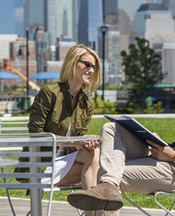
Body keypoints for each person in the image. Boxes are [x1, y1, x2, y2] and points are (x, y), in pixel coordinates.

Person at [67, 38, 175, 214]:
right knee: (112, 128)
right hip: (169, 160)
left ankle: (106, 188)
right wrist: (162, 144)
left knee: (108, 177)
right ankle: (107, 187)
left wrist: (174, 156)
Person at [27, 44, 101, 216]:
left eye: (94, 67)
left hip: (66, 162)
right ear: (73, 63)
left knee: (94, 153)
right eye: (87, 64)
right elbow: (35, 134)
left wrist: (85, 142)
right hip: (40, 164)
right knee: (101, 174)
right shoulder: (49, 93)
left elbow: (79, 139)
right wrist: (72, 141)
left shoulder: (87, 103)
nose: (91, 70)